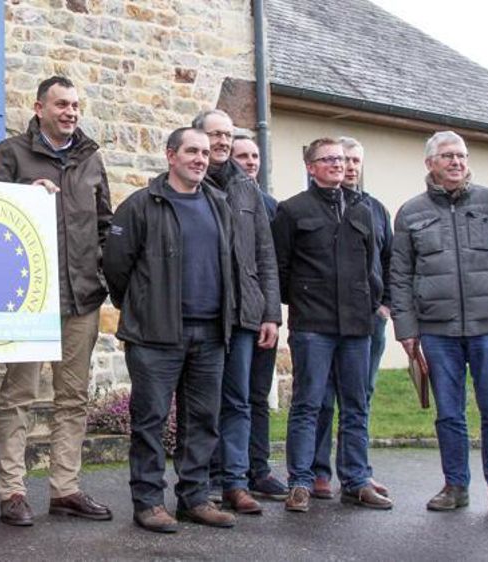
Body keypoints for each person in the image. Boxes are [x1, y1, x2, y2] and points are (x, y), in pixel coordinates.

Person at [0, 76, 114, 526]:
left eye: (76, 104)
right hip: (28, 300)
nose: (71, 112)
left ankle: (66, 488)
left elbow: (104, 225)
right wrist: (24, 196)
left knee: (72, 399)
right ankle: (12, 491)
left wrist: (102, 276)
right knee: (19, 395)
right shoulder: (10, 154)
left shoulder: (91, 158)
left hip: (81, 298)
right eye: (61, 104)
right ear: (39, 108)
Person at [104, 127, 236, 533]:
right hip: (155, 335)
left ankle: (194, 498)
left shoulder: (219, 203)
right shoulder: (141, 205)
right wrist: (144, 307)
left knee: (202, 420)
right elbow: (115, 268)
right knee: (150, 421)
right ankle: (147, 502)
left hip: (210, 333)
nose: (200, 158)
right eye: (191, 151)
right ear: (170, 156)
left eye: (205, 152)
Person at [390, 131, 488, 512]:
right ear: (430, 163)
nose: (456, 162)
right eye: (447, 156)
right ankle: (455, 486)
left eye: (461, 156)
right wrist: (407, 331)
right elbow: (399, 275)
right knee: (449, 413)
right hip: (436, 331)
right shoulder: (411, 212)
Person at [274, 137, 392, 513]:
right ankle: (301, 482)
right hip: (313, 325)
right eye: (328, 160)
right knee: (309, 405)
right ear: (311, 167)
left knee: (356, 406)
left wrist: (377, 303)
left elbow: (376, 260)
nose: (338, 165)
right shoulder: (292, 211)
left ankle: (356, 481)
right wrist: (306, 299)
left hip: (358, 325)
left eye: (341, 159)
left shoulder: (364, 209)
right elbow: (281, 267)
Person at [193, 112, 279, 515]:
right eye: (216, 134)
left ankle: (236, 483)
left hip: (244, 311)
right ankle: (202, 482)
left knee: (238, 401)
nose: (223, 141)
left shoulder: (248, 189)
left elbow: (266, 254)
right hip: (203, 310)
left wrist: (270, 314)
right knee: (200, 401)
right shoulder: (186, 183)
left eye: (228, 134)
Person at [310, 136, 392, 500]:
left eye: (356, 160)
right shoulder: (310, 208)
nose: (351, 166)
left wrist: (385, 304)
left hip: (368, 317)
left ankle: (357, 473)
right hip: (324, 319)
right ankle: (318, 471)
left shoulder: (375, 208)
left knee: (360, 396)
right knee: (322, 398)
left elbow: (390, 260)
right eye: (345, 159)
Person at [230, 136, 289, 501]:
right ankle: (228, 473)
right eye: (243, 156)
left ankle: (259, 468)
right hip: (229, 319)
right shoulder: (220, 199)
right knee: (231, 398)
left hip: (262, 315)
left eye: (254, 156)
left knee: (257, 396)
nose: (250, 162)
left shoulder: (271, 207)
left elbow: (274, 265)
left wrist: (273, 313)